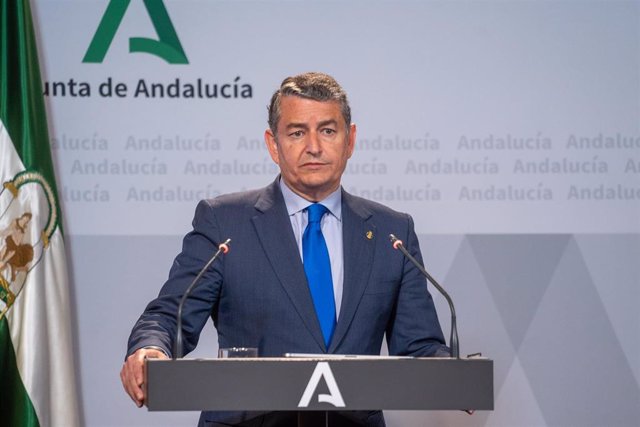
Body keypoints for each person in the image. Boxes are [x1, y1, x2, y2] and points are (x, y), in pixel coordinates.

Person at [120, 72, 449, 427]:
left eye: (328, 130)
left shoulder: (392, 232)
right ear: (273, 145)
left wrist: (454, 375)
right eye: (296, 133)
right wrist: (150, 348)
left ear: (350, 140)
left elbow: (419, 346)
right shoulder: (224, 223)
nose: (314, 147)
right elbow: (170, 314)